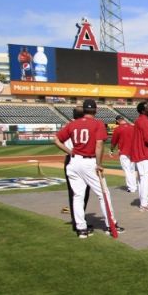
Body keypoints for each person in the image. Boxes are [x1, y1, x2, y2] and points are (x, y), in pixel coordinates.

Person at [55, 99, 113, 238]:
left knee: (78, 196)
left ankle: (81, 229)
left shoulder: (72, 124)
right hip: (89, 161)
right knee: (103, 193)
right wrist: (99, 164)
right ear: (95, 110)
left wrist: (69, 152)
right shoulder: (98, 124)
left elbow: (56, 140)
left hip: (74, 162)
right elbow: (99, 145)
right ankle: (111, 225)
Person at [110, 115, 139, 193]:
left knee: (127, 170)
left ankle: (131, 187)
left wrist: (111, 150)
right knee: (132, 169)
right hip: (133, 151)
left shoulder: (118, 129)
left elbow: (113, 142)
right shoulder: (133, 127)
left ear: (118, 121)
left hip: (124, 152)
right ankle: (134, 186)